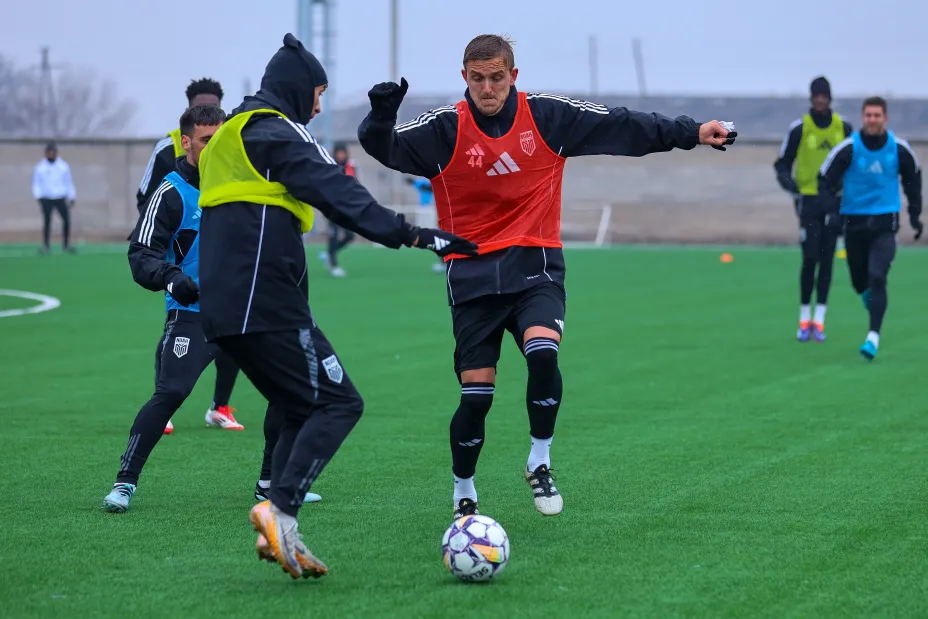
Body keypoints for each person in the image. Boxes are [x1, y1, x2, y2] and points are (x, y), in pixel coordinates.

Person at [358, 34, 736, 519]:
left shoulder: (547, 117)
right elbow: (384, 147)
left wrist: (692, 131)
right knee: (476, 396)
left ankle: (539, 460)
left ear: (513, 76)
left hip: (534, 267)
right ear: (464, 77)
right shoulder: (445, 128)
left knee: (543, 352)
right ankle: (463, 492)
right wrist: (381, 115)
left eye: (497, 78)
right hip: (472, 278)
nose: (488, 88)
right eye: (478, 78)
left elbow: (620, 124)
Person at [196, 33, 477, 579]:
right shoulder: (274, 130)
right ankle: (278, 510)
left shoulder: (231, 133)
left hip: (229, 306)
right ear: (298, 87)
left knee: (299, 407)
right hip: (266, 302)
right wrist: (412, 234)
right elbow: (334, 189)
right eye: (318, 93)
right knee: (340, 404)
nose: (319, 107)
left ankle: (284, 527)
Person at [102, 104, 321, 513]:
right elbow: (141, 253)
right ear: (185, 143)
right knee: (171, 392)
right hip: (195, 314)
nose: (216, 146)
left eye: (221, 139)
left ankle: (271, 484)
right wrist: (171, 277)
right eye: (206, 140)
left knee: (289, 390)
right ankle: (125, 482)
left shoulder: (244, 184)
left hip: (249, 312)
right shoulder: (171, 192)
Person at [135, 76, 244, 435]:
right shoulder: (167, 148)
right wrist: (158, 234)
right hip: (178, 257)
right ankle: (165, 402)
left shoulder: (232, 150)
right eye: (201, 105)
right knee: (178, 332)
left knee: (234, 339)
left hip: (226, 272)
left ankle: (220, 406)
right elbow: (147, 195)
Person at [817, 96, 922, 360]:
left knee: (877, 276)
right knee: (859, 282)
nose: (872, 120)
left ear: (885, 118)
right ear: (863, 118)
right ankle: (871, 298)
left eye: (877, 115)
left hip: (885, 223)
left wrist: (915, 216)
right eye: (868, 115)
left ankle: (873, 336)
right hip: (854, 223)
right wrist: (832, 212)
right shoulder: (848, 149)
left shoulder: (899, 149)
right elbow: (824, 180)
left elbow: (913, 180)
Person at [774, 77, 853, 342]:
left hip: (834, 201)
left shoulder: (843, 128)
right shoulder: (800, 128)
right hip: (808, 201)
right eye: (816, 95)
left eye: (824, 96)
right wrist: (792, 187)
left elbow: (854, 163)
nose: (820, 100)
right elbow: (782, 164)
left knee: (827, 258)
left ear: (829, 98)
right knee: (810, 257)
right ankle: (803, 318)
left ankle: (819, 321)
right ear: (811, 98)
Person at [317, 143, 357, 276]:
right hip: (331, 206)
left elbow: (356, 185)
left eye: (342, 153)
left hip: (346, 207)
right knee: (333, 235)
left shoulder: (351, 167)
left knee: (350, 236)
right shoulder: (329, 166)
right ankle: (333, 266)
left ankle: (329, 254)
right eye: (338, 153)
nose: (340, 155)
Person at [32, 142, 76, 254]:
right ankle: (46, 246)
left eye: (53, 152)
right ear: (46, 153)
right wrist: (38, 196)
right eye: (49, 152)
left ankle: (66, 245)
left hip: (60, 197)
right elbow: (36, 183)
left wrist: (72, 196)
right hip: (46, 197)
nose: (51, 154)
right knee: (47, 221)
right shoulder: (40, 167)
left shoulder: (63, 166)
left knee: (66, 220)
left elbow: (68, 182)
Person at [405, 176, 445, 273]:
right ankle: (443, 260)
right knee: (435, 234)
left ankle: (443, 261)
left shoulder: (432, 181)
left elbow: (431, 188)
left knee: (438, 235)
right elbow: (412, 181)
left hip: (431, 209)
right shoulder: (422, 182)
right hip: (424, 209)